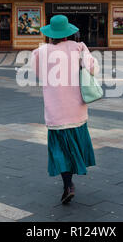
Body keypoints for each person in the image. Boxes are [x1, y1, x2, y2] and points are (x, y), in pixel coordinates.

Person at [30, 14, 98, 205]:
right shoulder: (79, 47)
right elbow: (94, 69)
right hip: (76, 109)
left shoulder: (40, 52)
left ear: (50, 34)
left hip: (55, 111)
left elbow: (39, 74)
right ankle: (73, 176)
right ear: (67, 33)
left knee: (59, 148)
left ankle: (68, 184)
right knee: (75, 144)